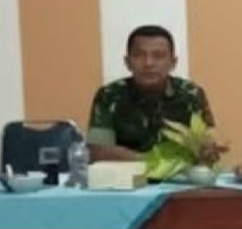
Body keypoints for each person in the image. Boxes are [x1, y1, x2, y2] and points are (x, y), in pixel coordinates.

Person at [86, 25, 215, 162]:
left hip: (178, 174)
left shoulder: (191, 94)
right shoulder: (109, 95)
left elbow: (207, 147)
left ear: (173, 63)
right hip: (124, 174)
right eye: (139, 55)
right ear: (127, 62)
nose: (148, 63)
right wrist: (151, 161)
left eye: (158, 56)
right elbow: (98, 151)